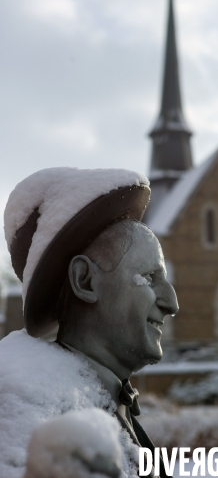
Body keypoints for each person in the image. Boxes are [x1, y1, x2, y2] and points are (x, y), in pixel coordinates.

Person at [0, 167, 178, 478]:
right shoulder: (27, 407)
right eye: (149, 278)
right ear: (85, 280)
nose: (172, 304)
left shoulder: (87, 395)